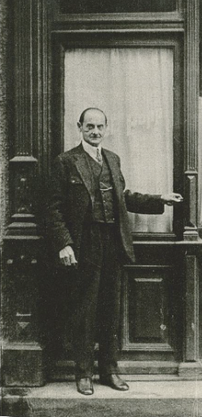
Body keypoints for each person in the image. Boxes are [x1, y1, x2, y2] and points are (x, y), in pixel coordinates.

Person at [44, 107, 183, 396]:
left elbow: (123, 198)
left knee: (110, 310)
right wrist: (64, 243)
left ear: (107, 128)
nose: (95, 132)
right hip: (84, 244)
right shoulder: (66, 161)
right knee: (85, 310)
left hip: (113, 243)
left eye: (100, 127)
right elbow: (52, 208)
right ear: (79, 127)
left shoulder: (112, 159)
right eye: (89, 127)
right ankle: (83, 373)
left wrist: (159, 199)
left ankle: (109, 371)